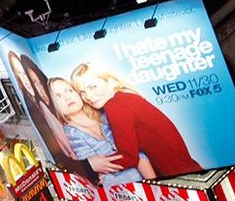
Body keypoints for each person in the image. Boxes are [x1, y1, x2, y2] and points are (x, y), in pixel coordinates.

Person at [71, 63, 200, 177]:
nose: (88, 96)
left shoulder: (115, 105)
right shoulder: (127, 98)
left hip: (181, 177)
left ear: (110, 82)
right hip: (189, 171)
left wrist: (88, 168)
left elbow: (129, 157)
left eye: (93, 87)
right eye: (82, 92)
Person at [49, 76, 154, 186]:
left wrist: (154, 185)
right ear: (54, 105)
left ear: (78, 93)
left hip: (148, 178)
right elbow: (101, 174)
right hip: (121, 192)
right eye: (58, 96)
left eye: (69, 90)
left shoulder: (105, 114)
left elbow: (137, 152)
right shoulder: (70, 133)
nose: (67, 97)